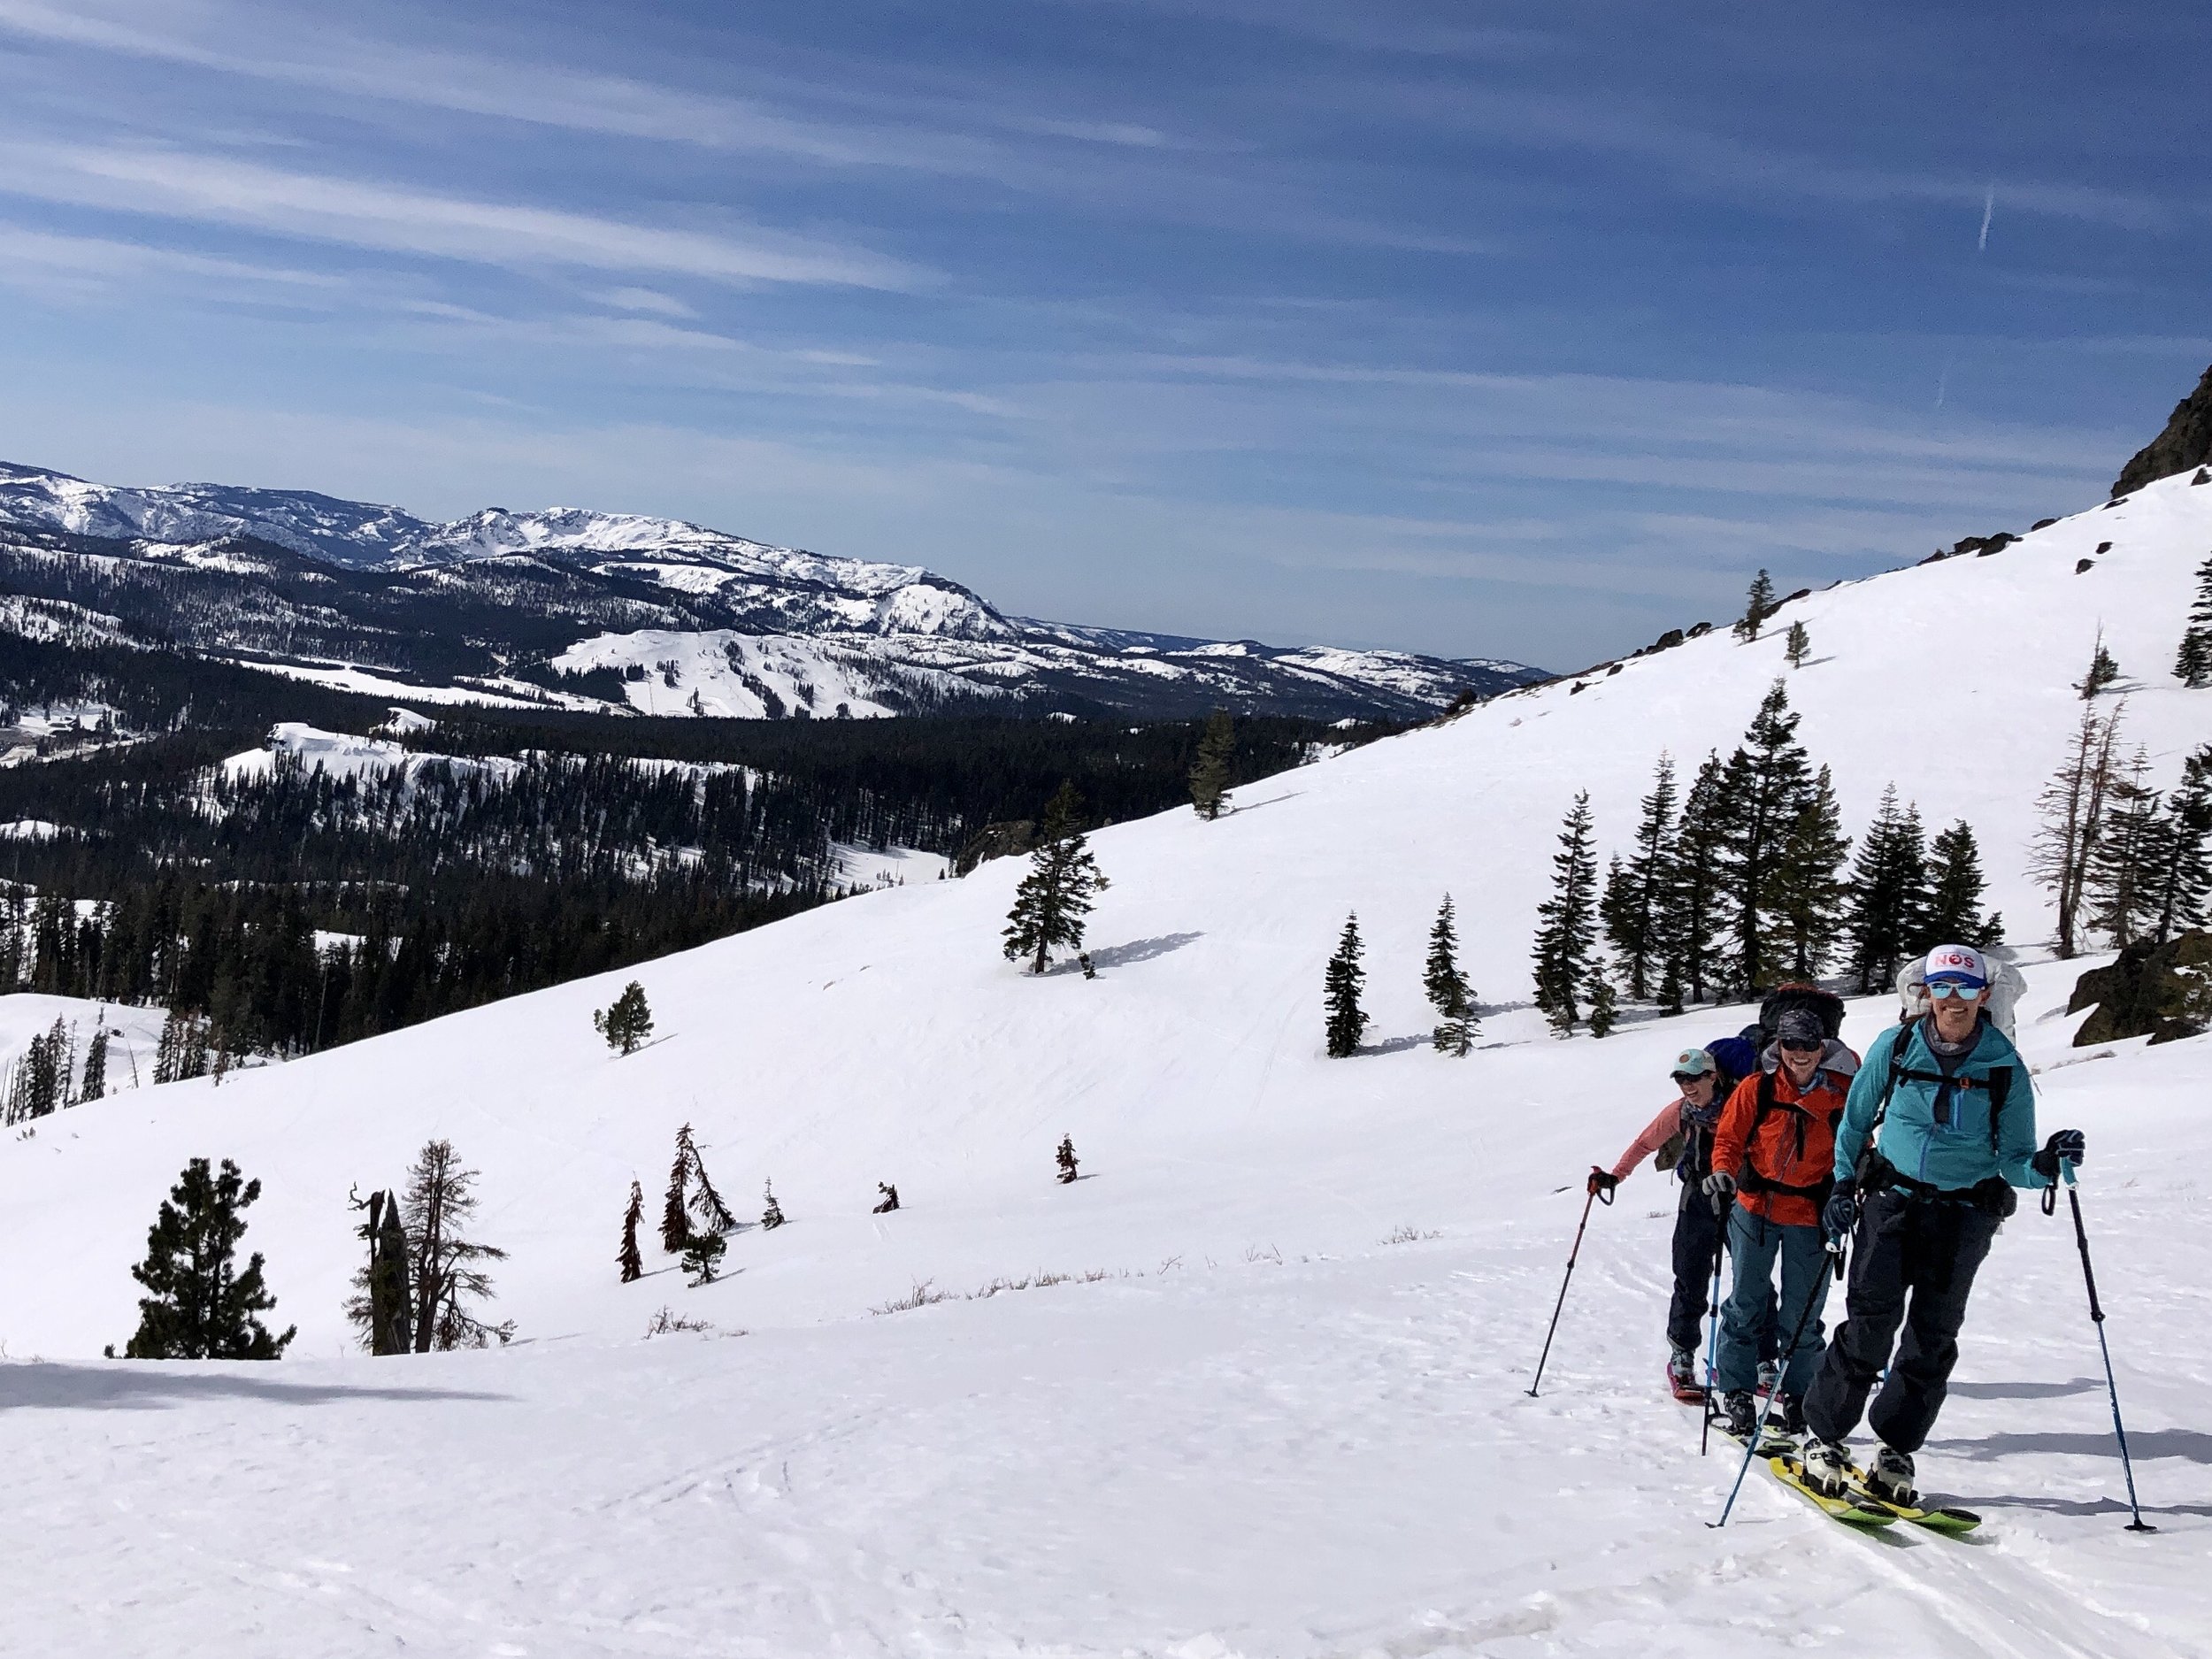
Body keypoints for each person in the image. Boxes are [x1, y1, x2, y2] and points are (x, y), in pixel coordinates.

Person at [1801, 943, 2085, 1503]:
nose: (1953, 1001)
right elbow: (1856, 1121)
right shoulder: (1897, 1045)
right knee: (1870, 1323)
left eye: (1965, 989)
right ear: (1925, 992)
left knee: (1933, 1336)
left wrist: (2046, 1167)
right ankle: (1825, 1435)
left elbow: (2015, 1159)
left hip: (1963, 1215)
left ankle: (1896, 1448)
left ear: (1984, 993)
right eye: (1942, 988)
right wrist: (1840, 1183)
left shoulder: (2003, 1065)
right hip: (1892, 1203)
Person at [1703, 1004, 1852, 1441]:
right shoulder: (1757, 1088)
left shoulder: (1842, 1092)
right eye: (1790, 1044)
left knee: (1802, 1316)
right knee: (1746, 1304)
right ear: (1779, 1046)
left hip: (1812, 1214)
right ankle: (1735, 1389)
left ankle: (1801, 1397)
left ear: (1821, 1047)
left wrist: (1851, 1191)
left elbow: (1857, 1146)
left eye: (1808, 1044)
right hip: (1755, 1208)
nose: (1799, 1053)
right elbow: (1728, 1138)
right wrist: (1722, 1171)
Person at [1587, 1048, 1736, 1395]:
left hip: (1736, 1198)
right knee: (1689, 1277)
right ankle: (1682, 1354)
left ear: (1712, 1076)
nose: (1688, 1086)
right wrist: (1616, 1176)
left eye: (1695, 1078)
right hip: (1697, 1199)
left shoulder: (1736, 1105)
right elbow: (1645, 1143)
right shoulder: (1681, 1112)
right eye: (1682, 1079)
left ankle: (1752, 1357)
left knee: (1750, 1281)